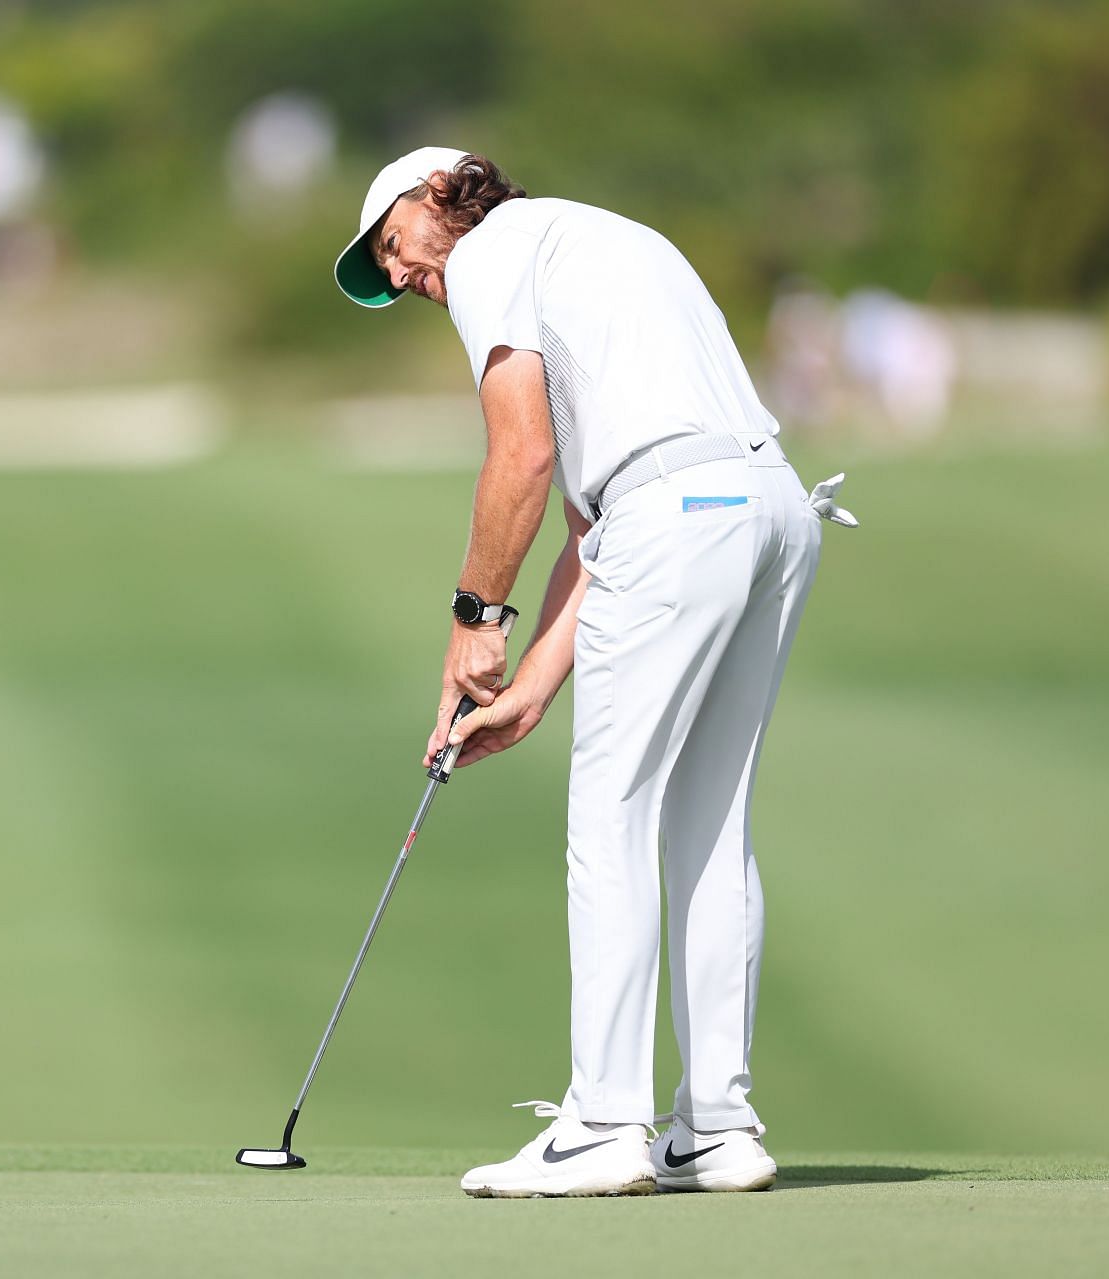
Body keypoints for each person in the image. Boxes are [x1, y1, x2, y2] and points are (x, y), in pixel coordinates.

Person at [331, 148, 857, 1197]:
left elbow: (520, 456)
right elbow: (593, 521)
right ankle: (717, 1128)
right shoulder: (605, 240)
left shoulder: (490, 255)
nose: (399, 277)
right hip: (773, 511)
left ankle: (605, 1123)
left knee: (609, 815)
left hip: (681, 516)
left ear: (442, 195)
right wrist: (528, 688)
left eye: (394, 246)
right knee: (708, 822)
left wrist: (476, 621)